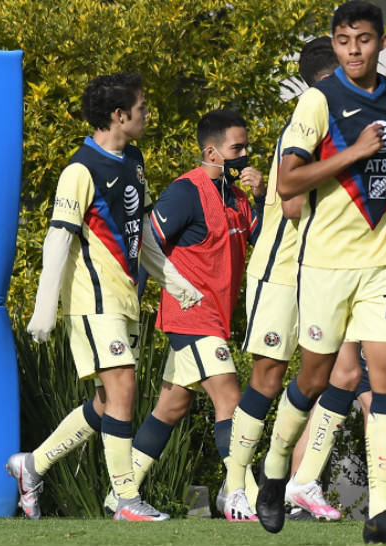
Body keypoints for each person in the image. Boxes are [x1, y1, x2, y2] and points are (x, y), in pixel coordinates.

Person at [255, 2, 386, 543]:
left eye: (362, 40)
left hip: (382, 262)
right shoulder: (318, 100)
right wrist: (354, 151)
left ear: (382, 42)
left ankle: (380, 512)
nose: (353, 50)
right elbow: (289, 183)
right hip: (325, 265)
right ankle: (275, 466)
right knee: (313, 378)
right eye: (342, 40)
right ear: (333, 45)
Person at [8, 73, 203, 521]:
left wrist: (176, 284)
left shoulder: (133, 159)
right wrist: (44, 309)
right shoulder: (80, 170)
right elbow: (58, 240)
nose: (147, 113)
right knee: (124, 389)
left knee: (105, 403)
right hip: (93, 303)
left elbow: (145, 233)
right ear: (119, 115)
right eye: (142, 106)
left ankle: (32, 466)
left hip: (125, 302)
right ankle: (125, 500)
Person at [101, 109, 265, 521]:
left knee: (171, 408)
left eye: (247, 147)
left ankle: (119, 492)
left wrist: (263, 196)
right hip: (191, 317)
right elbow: (144, 246)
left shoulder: (238, 196)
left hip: (216, 321)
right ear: (211, 152)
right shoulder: (185, 192)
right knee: (231, 398)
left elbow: (264, 241)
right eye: (237, 148)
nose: (245, 155)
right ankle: (241, 494)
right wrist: (128, 304)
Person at [222, 35, 336, 522]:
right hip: (282, 270)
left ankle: (297, 479)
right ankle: (234, 486)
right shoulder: (308, 119)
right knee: (267, 379)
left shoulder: (345, 124)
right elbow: (292, 204)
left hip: (327, 271)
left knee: (341, 372)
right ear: (328, 78)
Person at [284, 252, 386, 521]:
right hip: (332, 307)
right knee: (325, 402)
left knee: (375, 404)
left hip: (359, 320)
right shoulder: (330, 217)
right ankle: (296, 497)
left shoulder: (375, 219)